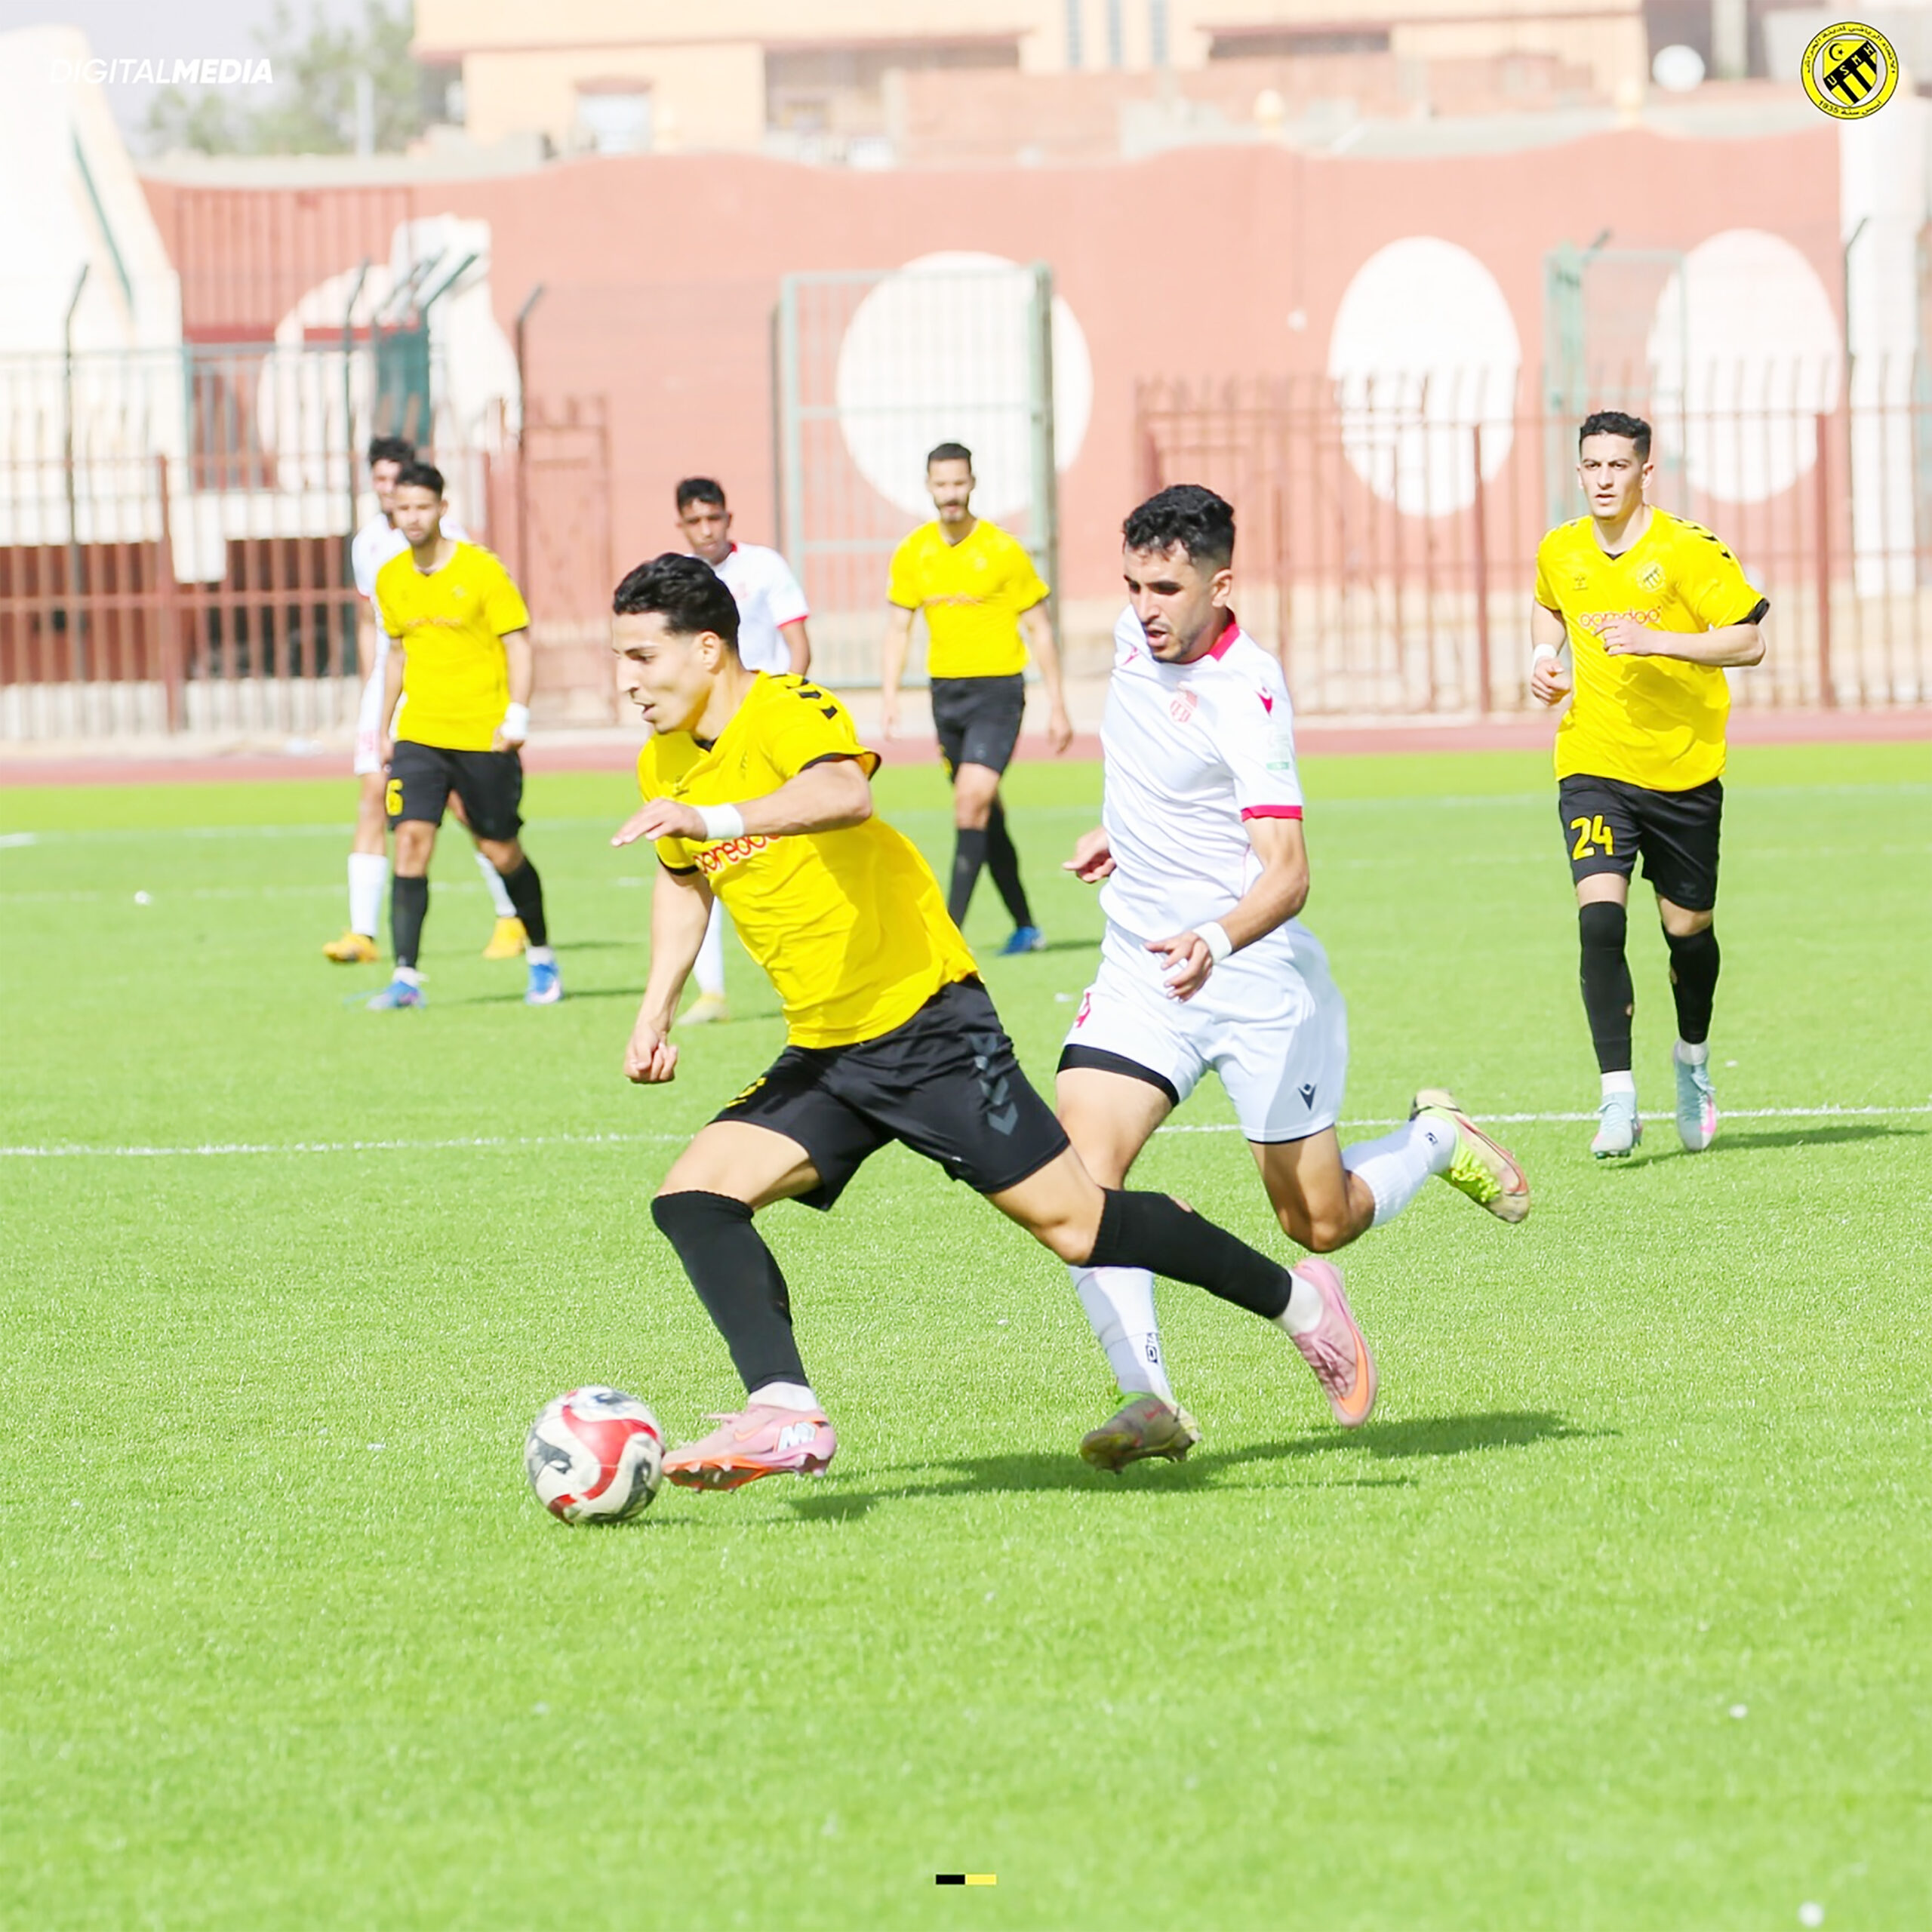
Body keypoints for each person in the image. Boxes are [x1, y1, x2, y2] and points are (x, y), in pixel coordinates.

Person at [609, 552, 1375, 1490]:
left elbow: (846, 793)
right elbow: (684, 882)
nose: (628, 681)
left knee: (1081, 1227)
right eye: (622, 659)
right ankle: (785, 1409)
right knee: (693, 1198)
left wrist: (712, 807)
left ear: (707, 647)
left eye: (642, 657)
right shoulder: (665, 758)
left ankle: (1300, 1302)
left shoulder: (785, 708)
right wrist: (656, 1010)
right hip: (827, 1050)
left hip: (929, 1028)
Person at [1056, 485, 1531, 1470]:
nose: (1145, 607)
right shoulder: (1128, 637)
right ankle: (1145, 1397)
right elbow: (1161, 770)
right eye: (1134, 582)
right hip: (1144, 972)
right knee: (1076, 1183)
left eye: (1167, 588)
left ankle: (1435, 1139)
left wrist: (1214, 940)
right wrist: (1130, 836)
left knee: (1318, 1219)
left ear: (1222, 586)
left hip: (1253, 977)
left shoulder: (1250, 693)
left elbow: (1289, 875)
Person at [1531, 410, 1767, 1158]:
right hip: (1592, 765)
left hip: (1685, 772)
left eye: (1617, 467)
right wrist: (1540, 658)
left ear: (1644, 473)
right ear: (1579, 473)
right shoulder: (1560, 549)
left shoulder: (1686, 551)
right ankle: (1616, 1097)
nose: (1603, 479)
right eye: (1591, 467)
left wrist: (1657, 639)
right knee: (1600, 921)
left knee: (1685, 932)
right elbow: (1547, 607)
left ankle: (1692, 1063)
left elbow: (1750, 638)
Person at [323, 437, 525, 964]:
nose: (391, 493)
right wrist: (374, 693)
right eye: (382, 481)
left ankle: (512, 917)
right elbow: (374, 623)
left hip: (450, 696)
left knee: (466, 810)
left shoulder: (450, 542)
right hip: (393, 688)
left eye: (399, 481)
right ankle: (363, 933)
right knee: (373, 794)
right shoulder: (367, 542)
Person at [366, 462, 560, 1010]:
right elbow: (397, 655)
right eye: (403, 508)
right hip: (420, 734)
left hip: (483, 736)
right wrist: (381, 730)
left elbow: (519, 644)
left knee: (499, 849)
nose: (412, 517)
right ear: (392, 510)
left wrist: (517, 713)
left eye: (422, 507)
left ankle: (542, 957)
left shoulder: (481, 571)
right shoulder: (391, 577)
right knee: (410, 842)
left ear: (442, 509)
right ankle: (406, 978)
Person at [881, 441, 1073, 954]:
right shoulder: (914, 552)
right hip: (947, 696)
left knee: (970, 801)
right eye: (941, 485)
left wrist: (1057, 704)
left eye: (958, 484)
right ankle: (1026, 927)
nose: (950, 495)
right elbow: (899, 628)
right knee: (985, 812)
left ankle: (947, 935)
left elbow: (1040, 628)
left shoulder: (1003, 551)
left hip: (998, 692)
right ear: (928, 486)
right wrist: (890, 695)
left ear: (973, 483)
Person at [674, 475, 813, 1026]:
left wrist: (781, 715)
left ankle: (806, 978)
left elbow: (797, 644)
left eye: (716, 519)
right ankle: (711, 991)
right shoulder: (676, 578)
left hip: (763, 731)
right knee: (699, 858)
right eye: (696, 521)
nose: (707, 530)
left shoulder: (764, 567)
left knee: (784, 856)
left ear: (729, 519)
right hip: (703, 740)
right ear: (682, 526)